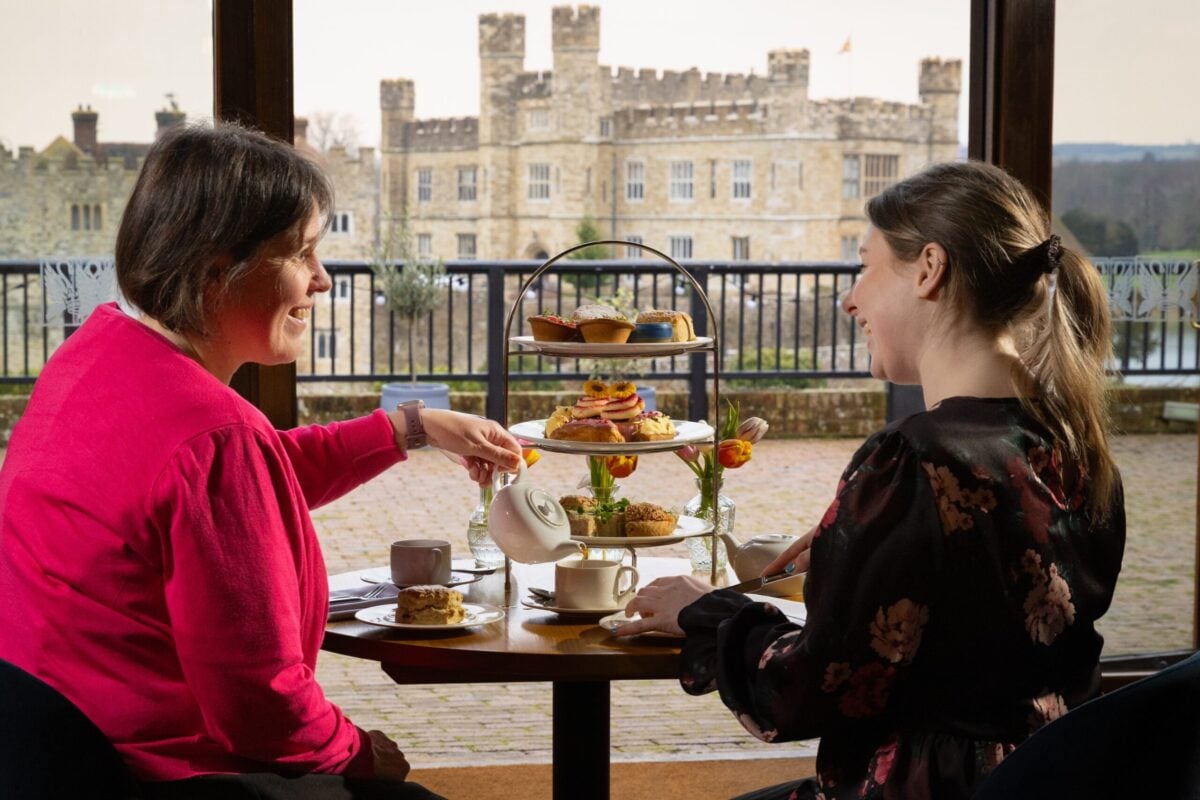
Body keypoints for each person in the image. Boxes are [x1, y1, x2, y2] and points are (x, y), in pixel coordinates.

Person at [0, 122, 522, 799]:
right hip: (177, 777)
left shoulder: (94, 359)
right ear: (218, 270)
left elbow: (237, 485)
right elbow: (258, 702)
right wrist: (357, 753)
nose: (323, 280)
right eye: (302, 253)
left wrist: (411, 428)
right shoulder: (212, 436)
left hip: (58, 752)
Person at [617, 160, 1126, 800]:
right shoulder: (1074, 443)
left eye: (865, 265)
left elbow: (808, 693)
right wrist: (857, 544)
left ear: (929, 269)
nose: (849, 296)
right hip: (1043, 782)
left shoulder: (913, 458)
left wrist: (707, 610)